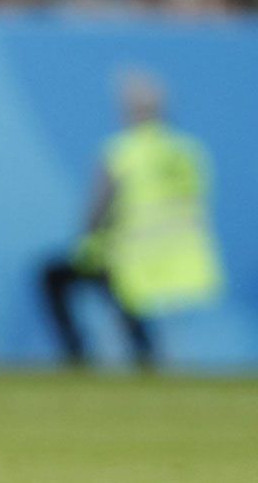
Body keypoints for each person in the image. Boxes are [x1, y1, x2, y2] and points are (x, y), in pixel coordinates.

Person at [40, 72, 223, 369]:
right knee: (123, 285)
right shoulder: (189, 152)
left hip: (132, 260)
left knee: (55, 275)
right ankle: (144, 349)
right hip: (185, 264)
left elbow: (96, 214)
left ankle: (77, 352)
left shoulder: (123, 152)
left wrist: (87, 241)